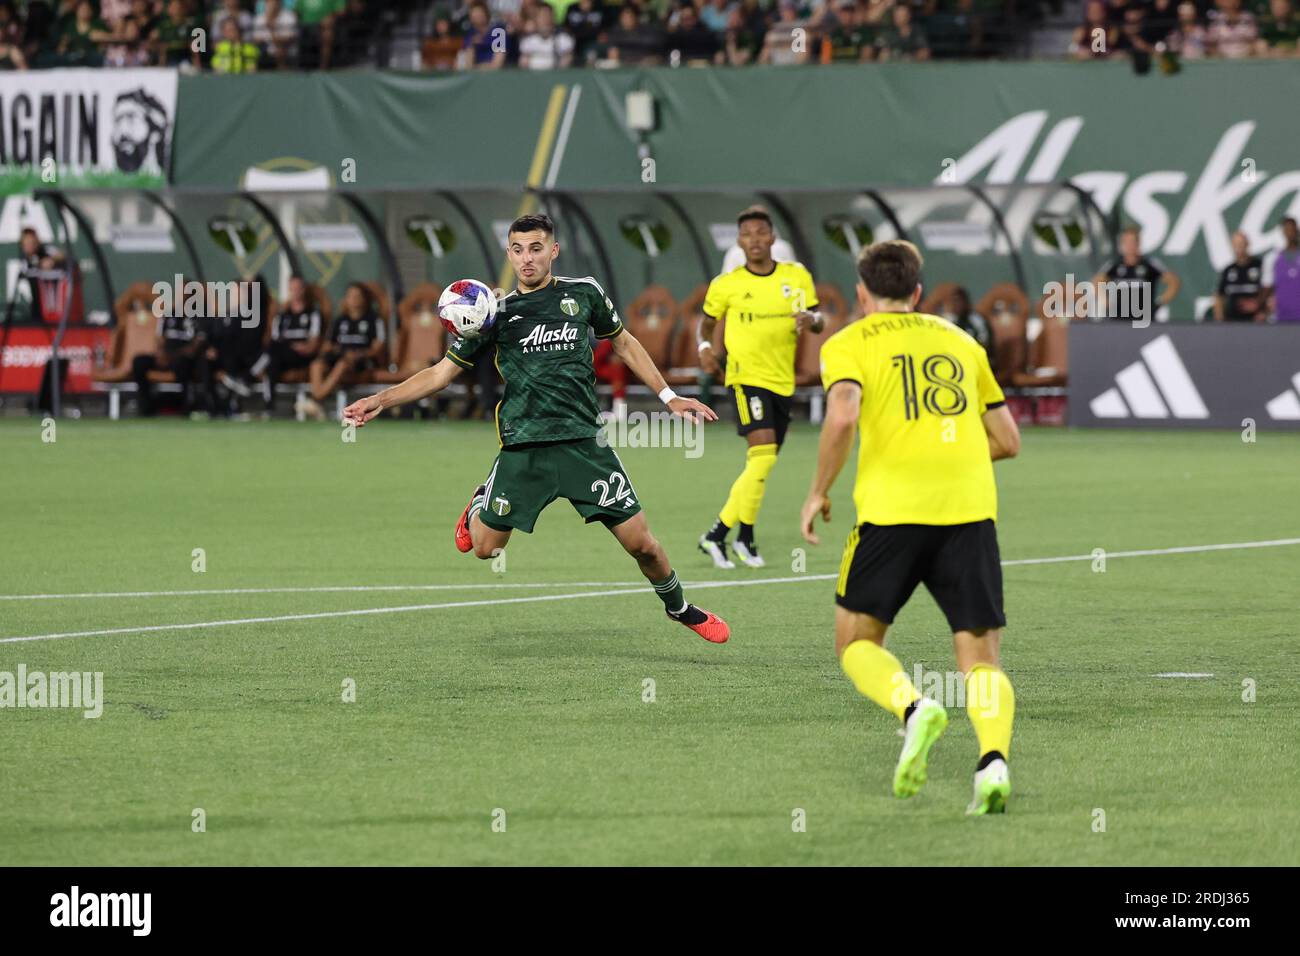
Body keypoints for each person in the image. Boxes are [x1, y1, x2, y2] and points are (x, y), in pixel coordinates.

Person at [342, 213, 730, 644]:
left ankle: (679, 608)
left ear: (553, 251)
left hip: (585, 445)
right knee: (487, 549)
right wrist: (380, 398)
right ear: (508, 254)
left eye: (536, 248)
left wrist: (669, 397)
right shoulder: (493, 314)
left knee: (644, 545)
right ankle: (479, 502)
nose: (527, 258)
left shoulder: (584, 294)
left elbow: (623, 343)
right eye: (518, 250)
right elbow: (439, 375)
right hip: (524, 449)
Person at [800, 239, 1021, 816]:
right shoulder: (962, 341)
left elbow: (844, 414)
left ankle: (914, 708)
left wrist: (818, 490)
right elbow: (1007, 441)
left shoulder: (847, 342)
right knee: (980, 661)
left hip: (892, 514)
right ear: (918, 292)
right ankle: (993, 762)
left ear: (862, 294)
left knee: (855, 643)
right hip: (968, 513)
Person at [696, 205, 820, 570]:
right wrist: (705, 348)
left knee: (761, 465)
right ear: (739, 241)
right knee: (762, 457)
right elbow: (706, 324)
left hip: (782, 381)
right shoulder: (728, 284)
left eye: (760, 233)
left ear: (772, 238)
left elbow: (818, 319)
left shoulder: (796, 277)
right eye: (747, 235)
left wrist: (812, 319)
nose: (754, 240)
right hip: (746, 378)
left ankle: (727, 536)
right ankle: (733, 536)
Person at [300, 282, 386, 419]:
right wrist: (335, 349)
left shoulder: (374, 320)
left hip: (361, 361)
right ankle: (317, 400)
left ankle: (316, 400)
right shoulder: (340, 320)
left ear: (364, 299)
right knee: (317, 365)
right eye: (350, 296)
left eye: (357, 296)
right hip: (339, 356)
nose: (354, 300)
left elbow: (377, 348)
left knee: (343, 364)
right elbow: (328, 345)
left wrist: (359, 354)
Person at [251, 274, 322, 407]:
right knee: (273, 361)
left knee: (274, 350)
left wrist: (301, 347)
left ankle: (250, 374)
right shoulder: (282, 315)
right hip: (282, 355)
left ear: (304, 290)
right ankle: (269, 404)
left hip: (302, 356)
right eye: (292, 288)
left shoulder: (313, 313)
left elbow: (313, 344)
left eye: (298, 288)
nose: (295, 292)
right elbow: (275, 337)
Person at [1090, 225, 1181, 322]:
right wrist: (1106, 301)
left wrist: (1159, 302)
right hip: (1118, 319)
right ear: (1122, 244)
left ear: (1138, 243)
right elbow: (1096, 281)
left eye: (1133, 242)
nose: (1130, 246)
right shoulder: (1114, 265)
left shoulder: (1149, 264)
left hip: (1144, 320)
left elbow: (1174, 281)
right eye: (1127, 242)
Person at [1213, 231, 1265, 322]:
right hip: (1232, 321)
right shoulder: (1228, 270)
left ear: (1247, 244)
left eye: (1241, 244)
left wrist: (1263, 310)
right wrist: (1219, 318)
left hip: (1255, 320)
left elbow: (1269, 292)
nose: (1239, 248)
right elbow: (1219, 296)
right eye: (1236, 245)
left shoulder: (1259, 266)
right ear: (1232, 246)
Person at [1263, 216, 1300, 322]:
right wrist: (1260, 307)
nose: (1290, 233)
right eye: (1287, 229)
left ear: (1297, 230)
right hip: (1281, 316)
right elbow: (1267, 286)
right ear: (1283, 232)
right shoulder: (1272, 258)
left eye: (1292, 229)